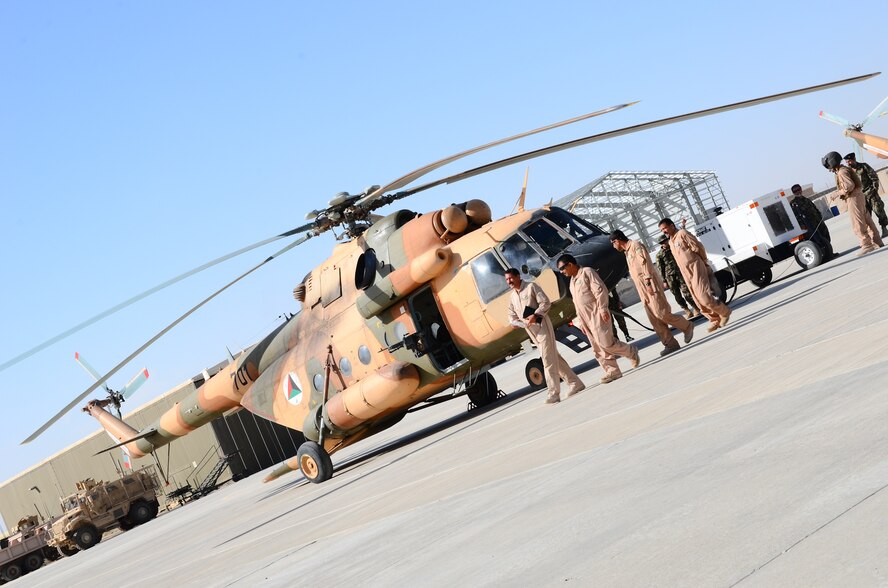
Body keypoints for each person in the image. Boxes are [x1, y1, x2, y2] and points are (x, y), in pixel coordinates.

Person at [555, 254, 639, 384]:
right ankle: (612, 371)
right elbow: (577, 303)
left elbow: (600, 291)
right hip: (585, 319)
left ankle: (630, 351)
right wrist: (580, 322)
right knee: (597, 348)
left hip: (597, 313)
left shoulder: (587, 272)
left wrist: (603, 308)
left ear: (570, 264)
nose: (562, 272)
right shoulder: (572, 281)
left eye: (562, 268)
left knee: (606, 343)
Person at [505, 268, 584, 403]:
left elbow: (545, 302)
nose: (509, 282)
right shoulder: (512, 297)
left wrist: (536, 315)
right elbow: (511, 314)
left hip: (542, 327)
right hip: (531, 331)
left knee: (547, 361)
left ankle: (553, 393)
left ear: (518, 276)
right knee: (554, 358)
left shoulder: (531, 287)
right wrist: (514, 322)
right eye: (506, 280)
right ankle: (575, 382)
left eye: (511, 278)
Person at [609, 231, 694, 356]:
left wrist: (648, 282)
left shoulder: (636, 246)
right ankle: (670, 344)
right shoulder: (627, 252)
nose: (613, 246)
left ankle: (686, 326)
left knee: (662, 312)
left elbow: (645, 263)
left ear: (617, 240)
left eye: (613, 243)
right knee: (654, 319)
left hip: (649, 284)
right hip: (642, 289)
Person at [658, 217, 731, 333]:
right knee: (697, 300)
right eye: (662, 230)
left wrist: (703, 261)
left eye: (665, 228)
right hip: (685, 272)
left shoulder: (682, 233)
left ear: (672, 225)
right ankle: (714, 320)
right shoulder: (671, 241)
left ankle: (724, 312)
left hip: (695, 266)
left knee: (704, 295)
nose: (664, 231)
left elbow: (698, 247)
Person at [822, 151, 883, 255]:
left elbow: (849, 186)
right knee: (867, 219)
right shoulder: (845, 169)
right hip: (859, 196)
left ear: (832, 162)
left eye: (828, 165)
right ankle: (877, 241)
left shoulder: (841, 172)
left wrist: (837, 193)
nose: (829, 168)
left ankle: (866, 245)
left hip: (853, 197)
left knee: (858, 222)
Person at [655, 234, 700, 318]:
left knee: (687, 292)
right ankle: (686, 310)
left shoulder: (674, 248)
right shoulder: (659, 255)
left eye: (665, 241)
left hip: (680, 273)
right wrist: (664, 281)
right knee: (677, 295)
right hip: (670, 277)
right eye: (662, 242)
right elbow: (660, 268)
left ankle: (695, 308)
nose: (664, 243)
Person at [844, 153, 887, 238]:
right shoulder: (849, 172)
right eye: (847, 162)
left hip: (870, 193)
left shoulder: (864, 166)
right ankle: (873, 234)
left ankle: (884, 227)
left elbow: (874, 177)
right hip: (860, 196)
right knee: (866, 217)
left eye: (849, 161)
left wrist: (874, 189)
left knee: (879, 210)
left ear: (854, 159)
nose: (848, 163)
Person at [789, 184, 832, 256]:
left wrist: (820, 218)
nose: (797, 192)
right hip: (810, 225)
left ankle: (829, 253)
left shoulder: (806, 199)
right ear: (793, 193)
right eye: (795, 191)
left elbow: (814, 209)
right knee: (817, 240)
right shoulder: (793, 203)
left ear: (801, 189)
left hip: (818, 221)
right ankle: (824, 255)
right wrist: (803, 226)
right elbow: (796, 216)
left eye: (798, 189)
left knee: (826, 236)